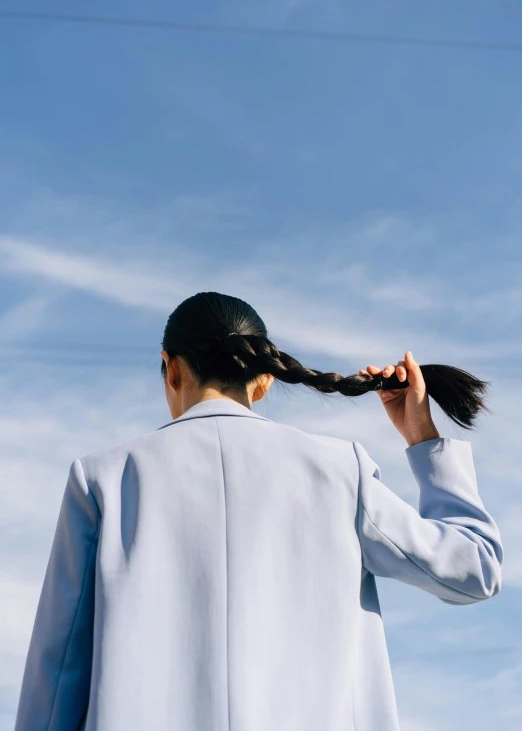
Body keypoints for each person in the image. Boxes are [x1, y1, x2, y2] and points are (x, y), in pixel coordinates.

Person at [14, 292, 503, 731]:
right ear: (265, 381)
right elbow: (473, 570)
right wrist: (422, 437)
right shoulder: (340, 472)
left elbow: (57, 678)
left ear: (171, 368)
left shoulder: (102, 477)